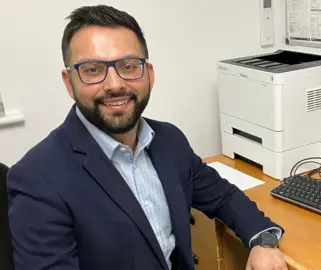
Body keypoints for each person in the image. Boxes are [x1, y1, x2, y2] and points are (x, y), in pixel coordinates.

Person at [6, 5, 287, 270]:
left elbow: (223, 196)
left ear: (149, 75)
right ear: (69, 83)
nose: (115, 84)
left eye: (129, 66)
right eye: (93, 70)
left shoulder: (168, 140)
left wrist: (263, 239)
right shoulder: (37, 179)